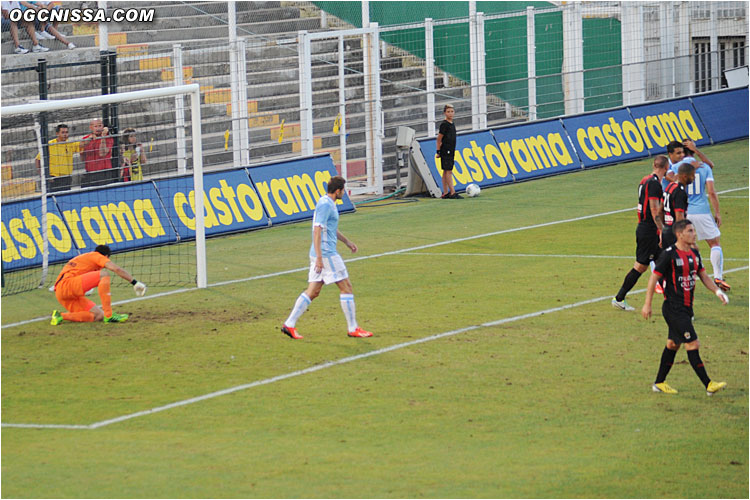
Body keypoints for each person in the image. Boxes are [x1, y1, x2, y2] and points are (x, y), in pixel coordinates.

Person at [641, 219, 728, 396]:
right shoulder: (669, 254)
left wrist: (718, 292)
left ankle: (659, 383)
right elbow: (653, 279)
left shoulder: (694, 254)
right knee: (692, 343)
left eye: (693, 231)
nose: (694, 234)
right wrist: (647, 304)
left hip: (687, 308)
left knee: (673, 344)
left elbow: (703, 276)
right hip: (673, 308)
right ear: (679, 234)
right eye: (690, 231)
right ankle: (709, 384)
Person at [281, 176, 373, 339]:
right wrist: (319, 258)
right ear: (338, 191)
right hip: (326, 254)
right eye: (343, 190)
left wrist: (347, 242)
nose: (344, 193)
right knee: (346, 287)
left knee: (313, 291)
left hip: (321, 253)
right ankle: (353, 328)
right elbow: (317, 230)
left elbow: (329, 229)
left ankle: (289, 324)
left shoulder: (327, 203)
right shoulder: (325, 205)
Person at [612, 156, 668, 311]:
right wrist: (661, 231)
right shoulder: (655, 184)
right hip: (649, 231)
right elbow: (654, 209)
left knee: (663, 263)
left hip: (645, 228)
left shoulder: (644, 180)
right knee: (641, 267)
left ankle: (671, 301)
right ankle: (619, 298)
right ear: (666, 167)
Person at [669, 150, 729, 292]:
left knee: (688, 246)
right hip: (702, 211)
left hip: (684, 211)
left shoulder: (678, 166)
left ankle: (689, 275)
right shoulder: (704, 167)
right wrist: (718, 213)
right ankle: (718, 276)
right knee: (714, 242)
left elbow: (668, 176)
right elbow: (712, 192)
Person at [50, 244, 147, 325]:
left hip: (62, 293)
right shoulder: (96, 256)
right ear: (106, 256)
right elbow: (116, 269)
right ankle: (109, 315)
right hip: (67, 285)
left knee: (98, 315)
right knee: (104, 274)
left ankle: (61, 316)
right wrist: (134, 282)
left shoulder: (84, 259)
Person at [35, 123, 80, 193]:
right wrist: (42, 175)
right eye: (63, 132)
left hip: (66, 178)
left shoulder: (70, 144)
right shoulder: (50, 144)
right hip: (53, 179)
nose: (65, 134)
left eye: (67, 132)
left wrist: (91, 136)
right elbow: (38, 159)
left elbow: (83, 144)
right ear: (57, 134)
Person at [661, 161, 695, 250]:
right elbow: (679, 218)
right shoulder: (680, 192)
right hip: (675, 233)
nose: (694, 178)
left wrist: (662, 229)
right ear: (685, 176)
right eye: (692, 175)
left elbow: (660, 210)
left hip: (666, 230)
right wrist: (684, 238)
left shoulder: (670, 185)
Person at [435, 104, 461, 199]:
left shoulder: (451, 124)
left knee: (446, 171)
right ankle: (452, 192)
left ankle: (446, 192)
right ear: (444, 113)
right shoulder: (444, 124)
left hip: (451, 149)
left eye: (452, 111)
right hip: (446, 150)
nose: (450, 113)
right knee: (449, 171)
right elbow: (439, 139)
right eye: (448, 112)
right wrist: (438, 151)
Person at [81, 119, 115, 189]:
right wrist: (87, 141)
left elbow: (102, 153)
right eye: (95, 126)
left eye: (100, 126)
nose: (98, 128)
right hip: (90, 173)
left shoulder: (108, 138)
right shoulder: (85, 139)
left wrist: (103, 136)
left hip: (104, 173)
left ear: (103, 126)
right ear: (91, 127)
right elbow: (82, 158)